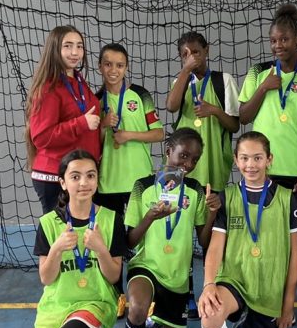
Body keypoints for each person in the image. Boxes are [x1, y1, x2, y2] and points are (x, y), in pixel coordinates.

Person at [198, 132, 297, 328]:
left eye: (257, 158)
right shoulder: (226, 197)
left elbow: (294, 255)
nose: (251, 164)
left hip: (269, 287)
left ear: (269, 159)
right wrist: (208, 285)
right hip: (235, 279)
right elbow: (215, 247)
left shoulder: (286, 198)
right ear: (236, 160)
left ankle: (252, 319)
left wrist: (288, 303)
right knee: (210, 315)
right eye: (244, 158)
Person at [124, 128, 219, 328]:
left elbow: (204, 241)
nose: (188, 164)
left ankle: (159, 326)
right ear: (168, 151)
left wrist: (213, 213)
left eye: (195, 159)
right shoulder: (142, 187)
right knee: (137, 309)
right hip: (146, 266)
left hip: (178, 277)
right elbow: (129, 241)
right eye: (183, 155)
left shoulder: (195, 191)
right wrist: (150, 217)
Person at [30, 150, 125, 328]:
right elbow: (46, 278)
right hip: (57, 304)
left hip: (95, 302)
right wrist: (56, 249)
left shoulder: (111, 219)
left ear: (97, 180)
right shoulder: (48, 223)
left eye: (90, 175)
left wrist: (100, 249)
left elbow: (113, 276)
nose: (84, 183)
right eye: (75, 176)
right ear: (63, 183)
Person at [238, 4, 297, 217]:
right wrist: (264, 88)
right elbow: (244, 117)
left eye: (284, 39)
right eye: (273, 41)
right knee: (259, 225)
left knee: (292, 230)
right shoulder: (259, 72)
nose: (278, 45)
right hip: (261, 166)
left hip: (294, 168)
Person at [25, 26, 101, 215]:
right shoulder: (48, 87)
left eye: (79, 46)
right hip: (55, 176)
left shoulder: (78, 80)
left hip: (76, 173)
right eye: (68, 46)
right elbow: (42, 137)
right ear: (55, 49)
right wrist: (82, 123)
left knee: (75, 235)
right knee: (59, 237)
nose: (75, 52)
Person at [165, 31, 240, 193]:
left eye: (195, 52)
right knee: (179, 208)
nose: (191, 57)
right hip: (181, 164)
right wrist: (185, 71)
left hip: (213, 162)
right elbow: (171, 106)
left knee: (210, 212)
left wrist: (214, 110)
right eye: (185, 55)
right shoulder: (180, 82)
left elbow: (234, 126)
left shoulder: (224, 80)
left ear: (206, 50)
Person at [95, 43, 164, 214]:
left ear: (126, 67)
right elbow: (93, 144)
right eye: (108, 64)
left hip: (139, 178)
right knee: (111, 237)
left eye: (120, 65)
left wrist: (129, 135)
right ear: (100, 67)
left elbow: (159, 134)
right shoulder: (95, 100)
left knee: (141, 235)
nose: (113, 70)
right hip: (108, 182)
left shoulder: (141, 95)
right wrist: (103, 125)